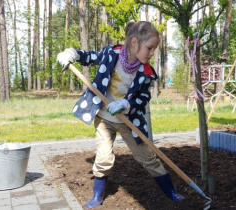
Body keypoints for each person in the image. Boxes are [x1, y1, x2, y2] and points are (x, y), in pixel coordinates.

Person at [57, 21, 184, 209]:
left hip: (128, 122)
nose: (151, 53)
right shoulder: (111, 54)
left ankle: (171, 193)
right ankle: (97, 196)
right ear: (134, 42)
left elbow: (143, 98)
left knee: (148, 157)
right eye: (149, 48)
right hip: (104, 118)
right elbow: (91, 56)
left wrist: (126, 104)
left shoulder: (146, 71)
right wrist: (73, 54)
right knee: (103, 157)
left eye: (154, 49)